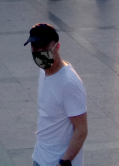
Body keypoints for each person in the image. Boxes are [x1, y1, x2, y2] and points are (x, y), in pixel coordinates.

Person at [24, 23, 88, 166]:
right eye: (35, 47)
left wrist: (64, 162)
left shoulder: (69, 83)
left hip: (58, 161)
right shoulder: (44, 70)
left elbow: (81, 129)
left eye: (45, 47)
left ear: (57, 46)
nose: (39, 51)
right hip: (41, 156)